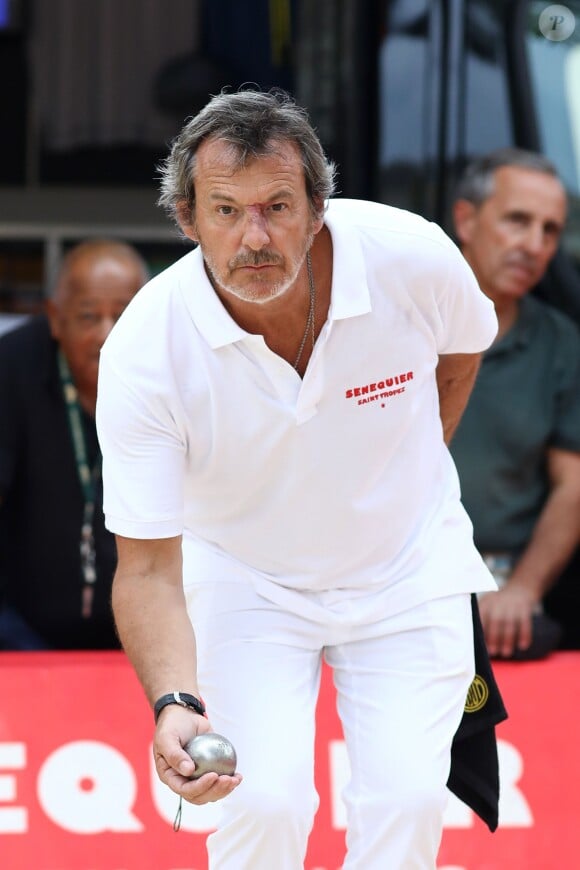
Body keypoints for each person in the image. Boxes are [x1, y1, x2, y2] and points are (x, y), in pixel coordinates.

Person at [96, 89, 501, 869]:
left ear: (319, 206)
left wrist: (412, 467)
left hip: (407, 568)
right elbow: (146, 568)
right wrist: (174, 703)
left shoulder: (409, 255)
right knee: (264, 805)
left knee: (409, 803)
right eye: (226, 210)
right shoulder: (145, 350)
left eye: (278, 205)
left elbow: (463, 348)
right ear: (186, 218)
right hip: (246, 580)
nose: (255, 237)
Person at [450, 148, 580, 660]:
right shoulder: (397, 319)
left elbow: (574, 484)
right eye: (518, 221)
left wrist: (523, 589)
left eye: (550, 230)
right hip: (384, 582)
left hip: (501, 593)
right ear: (466, 217)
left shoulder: (561, 344)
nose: (534, 244)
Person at [0, 239, 148, 650]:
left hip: (143, 632)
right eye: (88, 316)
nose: (107, 334)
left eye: (122, 315)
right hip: (21, 629)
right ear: (55, 317)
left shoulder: (173, 375)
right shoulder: (10, 367)